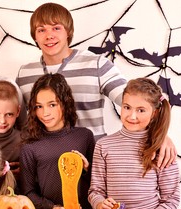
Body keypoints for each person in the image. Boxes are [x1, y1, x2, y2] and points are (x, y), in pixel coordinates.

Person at [16, 2, 176, 169]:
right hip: (45, 165)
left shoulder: (97, 64)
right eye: (41, 30)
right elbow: (20, 124)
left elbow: (136, 103)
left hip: (94, 162)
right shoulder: (25, 73)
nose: (49, 35)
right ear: (34, 36)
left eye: (56, 28)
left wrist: (161, 135)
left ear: (68, 32)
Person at [88, 78, 180, 209]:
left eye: (141, 110)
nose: (132, 116)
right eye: (127, 107)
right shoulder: (104, 146)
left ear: (154, 113)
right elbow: (95, 190)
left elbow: (172, 198)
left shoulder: (162, 148)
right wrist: (99, 203)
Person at [19, 73, 97, 209]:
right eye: (39, 106)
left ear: (65, 103)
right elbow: (28, 192)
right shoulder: (30, 146)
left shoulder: (84, 136)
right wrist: (54, 208)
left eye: (52, 105)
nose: (45, 113)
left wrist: (87, 169)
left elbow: (99, 184)